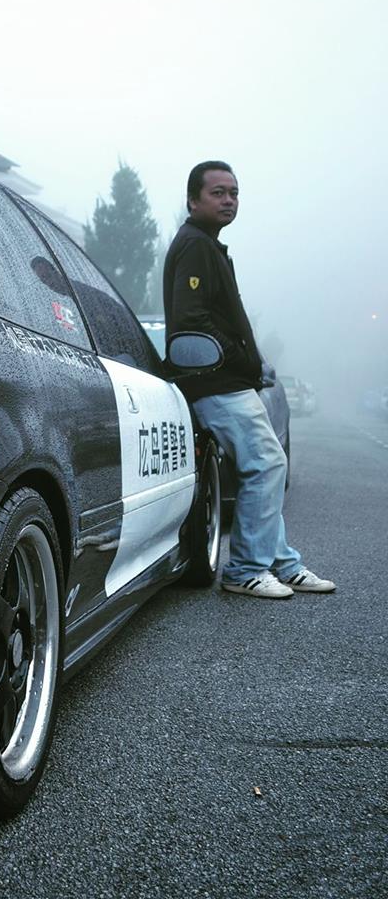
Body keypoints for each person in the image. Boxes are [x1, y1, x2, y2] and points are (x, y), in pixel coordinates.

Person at [163, 161, 334, 598]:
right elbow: (190, 320)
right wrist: (240, 358)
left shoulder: (210, 246)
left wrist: (252, 363)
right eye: (218, 193)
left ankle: (280, 561)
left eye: (234, 193)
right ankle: (244, 570)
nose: (228, 200)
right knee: (268, 465)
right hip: (215, 382)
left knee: (268, 467)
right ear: (193, 200)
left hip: (229, 381)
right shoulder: (195, 246)